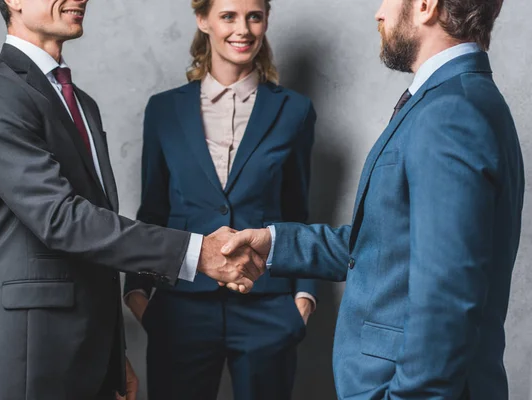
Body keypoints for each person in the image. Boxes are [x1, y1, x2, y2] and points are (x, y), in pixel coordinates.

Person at [0, 0, 263, 399]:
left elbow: (96, 237)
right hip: (29, 358)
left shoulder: (81, 102)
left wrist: (114, 358)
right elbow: (62, 219)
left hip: (91, 356)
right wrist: (197, 252)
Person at [222, 0, 524, 398]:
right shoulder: (458, 98)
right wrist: (277, 243)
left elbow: (447, 299)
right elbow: (387, 246)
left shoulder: (451, 111)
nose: (379, 13)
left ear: (425, 6)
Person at [123, 0, 317, 399]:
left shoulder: (295, 110)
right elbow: (154, 210)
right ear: (203, 20)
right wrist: (137, 294)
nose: (242, 29)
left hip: (267, 307)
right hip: (181, 309)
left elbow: (297, 210)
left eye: (254, 16)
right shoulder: (164, 110)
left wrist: (303, 298)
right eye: (228, 15)